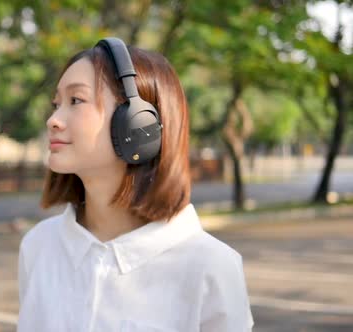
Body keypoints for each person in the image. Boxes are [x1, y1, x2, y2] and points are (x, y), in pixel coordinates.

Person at [17, 37, 254, 332]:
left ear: (138, 124)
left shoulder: (210, 266)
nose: (53, 119)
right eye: (56, 104)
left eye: (76, 100)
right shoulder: (39, 246)